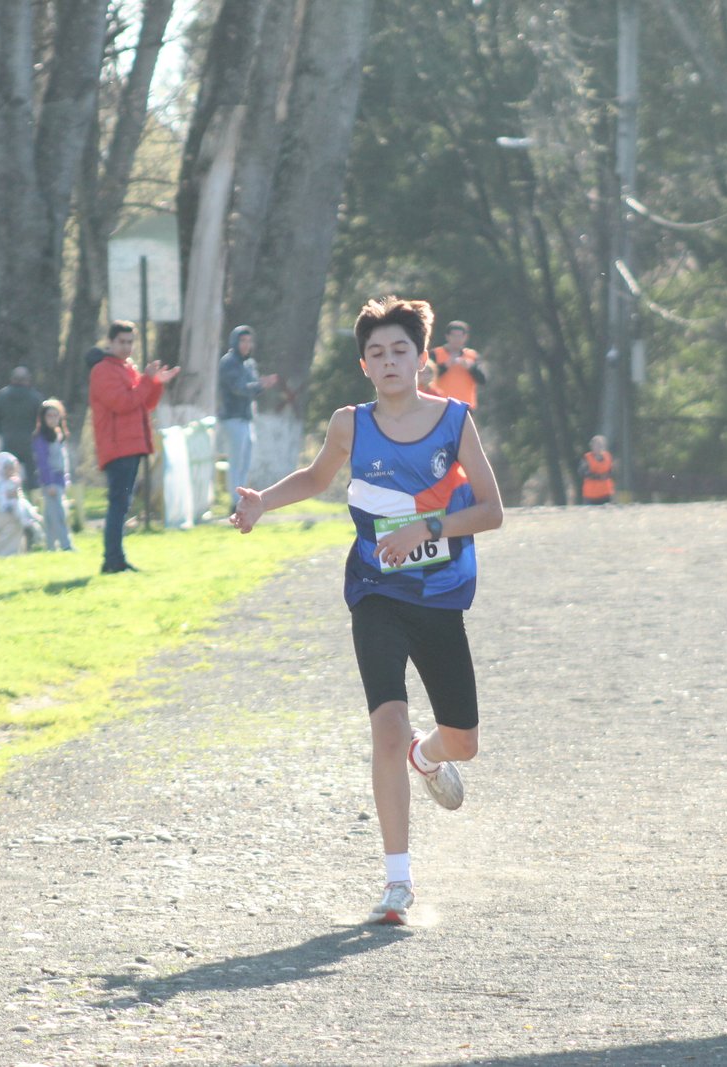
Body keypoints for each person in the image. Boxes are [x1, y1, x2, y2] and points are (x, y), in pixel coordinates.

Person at [230, 296, 504, 925]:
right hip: (376, 591)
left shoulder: (454, 421)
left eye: (399, 350)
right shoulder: (351, 424)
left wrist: (425, 527)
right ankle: (397, 882)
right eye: (376, 352)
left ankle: (426, 755)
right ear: (364, 365)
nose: (388, 360)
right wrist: (261, 503)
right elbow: (316, 477)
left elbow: (490, 510)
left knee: (464, 741)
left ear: (420, 358)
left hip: (438, 597)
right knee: (385, 726)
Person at [88, 321, 181, 573]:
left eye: (130, 342)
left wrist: (155, 383)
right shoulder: (103, 370)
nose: (127, 347)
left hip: (133, 444)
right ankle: (112, 560)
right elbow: (123, 402)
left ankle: (116, 558)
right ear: (110, 342)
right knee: (118, 503)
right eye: (122, 342)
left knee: (123, 503)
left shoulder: (127, 368)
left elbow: (145, 404)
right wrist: (147, 382)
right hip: (118, 446)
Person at [217, 325, 280, 496]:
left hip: (247, 418)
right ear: (235, 342)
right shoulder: (228, 362)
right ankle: (235, 501)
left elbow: (253, 388)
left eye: (249, 341)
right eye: (242, 341)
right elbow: (238, 388)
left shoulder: (249, 364)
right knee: (236, 463)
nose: (246, 345)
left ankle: (242, 498)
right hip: (233, 417)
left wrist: (262, 384)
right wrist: (260, 384)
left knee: (245, 463)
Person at [0, 366, 44, 492]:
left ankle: (7, 501)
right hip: (30, 442)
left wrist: (2, 432)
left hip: (8, 441)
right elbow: (41, 421)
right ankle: (34, 502)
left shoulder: (0, 396)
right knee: (33, 477)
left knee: (7, 476)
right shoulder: (36, 398)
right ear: (28, 380)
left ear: (12, 379)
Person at [33, 399, 75, 551]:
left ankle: (50, 547)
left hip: (59, 479)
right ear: (43, 418)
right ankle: (66, 545)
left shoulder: (58, 435)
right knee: (59, 515)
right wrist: (49, 482)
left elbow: (64, 460)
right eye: (49, 416)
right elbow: (43, 463)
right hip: (50, 481)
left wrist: (66, 478)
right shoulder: (41, 438)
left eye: (56, 416)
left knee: (51, 516)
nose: (53, 419)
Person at [429, 320, 487, 410]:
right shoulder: (435, 354)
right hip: (441, 405)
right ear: (447, 337)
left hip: (465, 407)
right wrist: (445, 366)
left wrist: (471, 368)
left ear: (465, 337)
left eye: (460, 336)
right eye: (454, 336)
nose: (457, 339)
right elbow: (426, 376)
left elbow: (483, 380)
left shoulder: (472, 355)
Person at [0, 450, 43, 547]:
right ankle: (26, 521)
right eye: (7, 468)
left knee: (24, 503)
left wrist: (16, 493)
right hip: (7, 506)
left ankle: (33, 515)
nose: (9, 471)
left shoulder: (14, 480)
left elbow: (19, 494)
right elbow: (0, 495)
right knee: (16, 505)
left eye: (12, 469)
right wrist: (8, 496)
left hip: (16, 502)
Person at [580, 434, 616, 505]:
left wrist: (608, 475)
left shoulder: (608, 457)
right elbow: (582, 472)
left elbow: (612, 472)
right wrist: (597, 476)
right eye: (596, 445)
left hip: (606, 494)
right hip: (591, 496)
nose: (599, 447)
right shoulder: (587, 458)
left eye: (601, 445)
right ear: (592, 446)